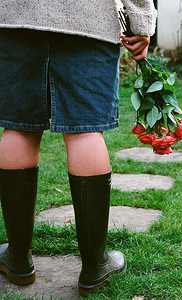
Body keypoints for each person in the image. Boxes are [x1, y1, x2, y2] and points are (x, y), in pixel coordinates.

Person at [0, 0, 157, 296]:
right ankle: (95, 265)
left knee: (18, 128)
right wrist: (141, 23)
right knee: (85, 131)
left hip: (14, 17)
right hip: (87, 20)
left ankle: (18, 259)